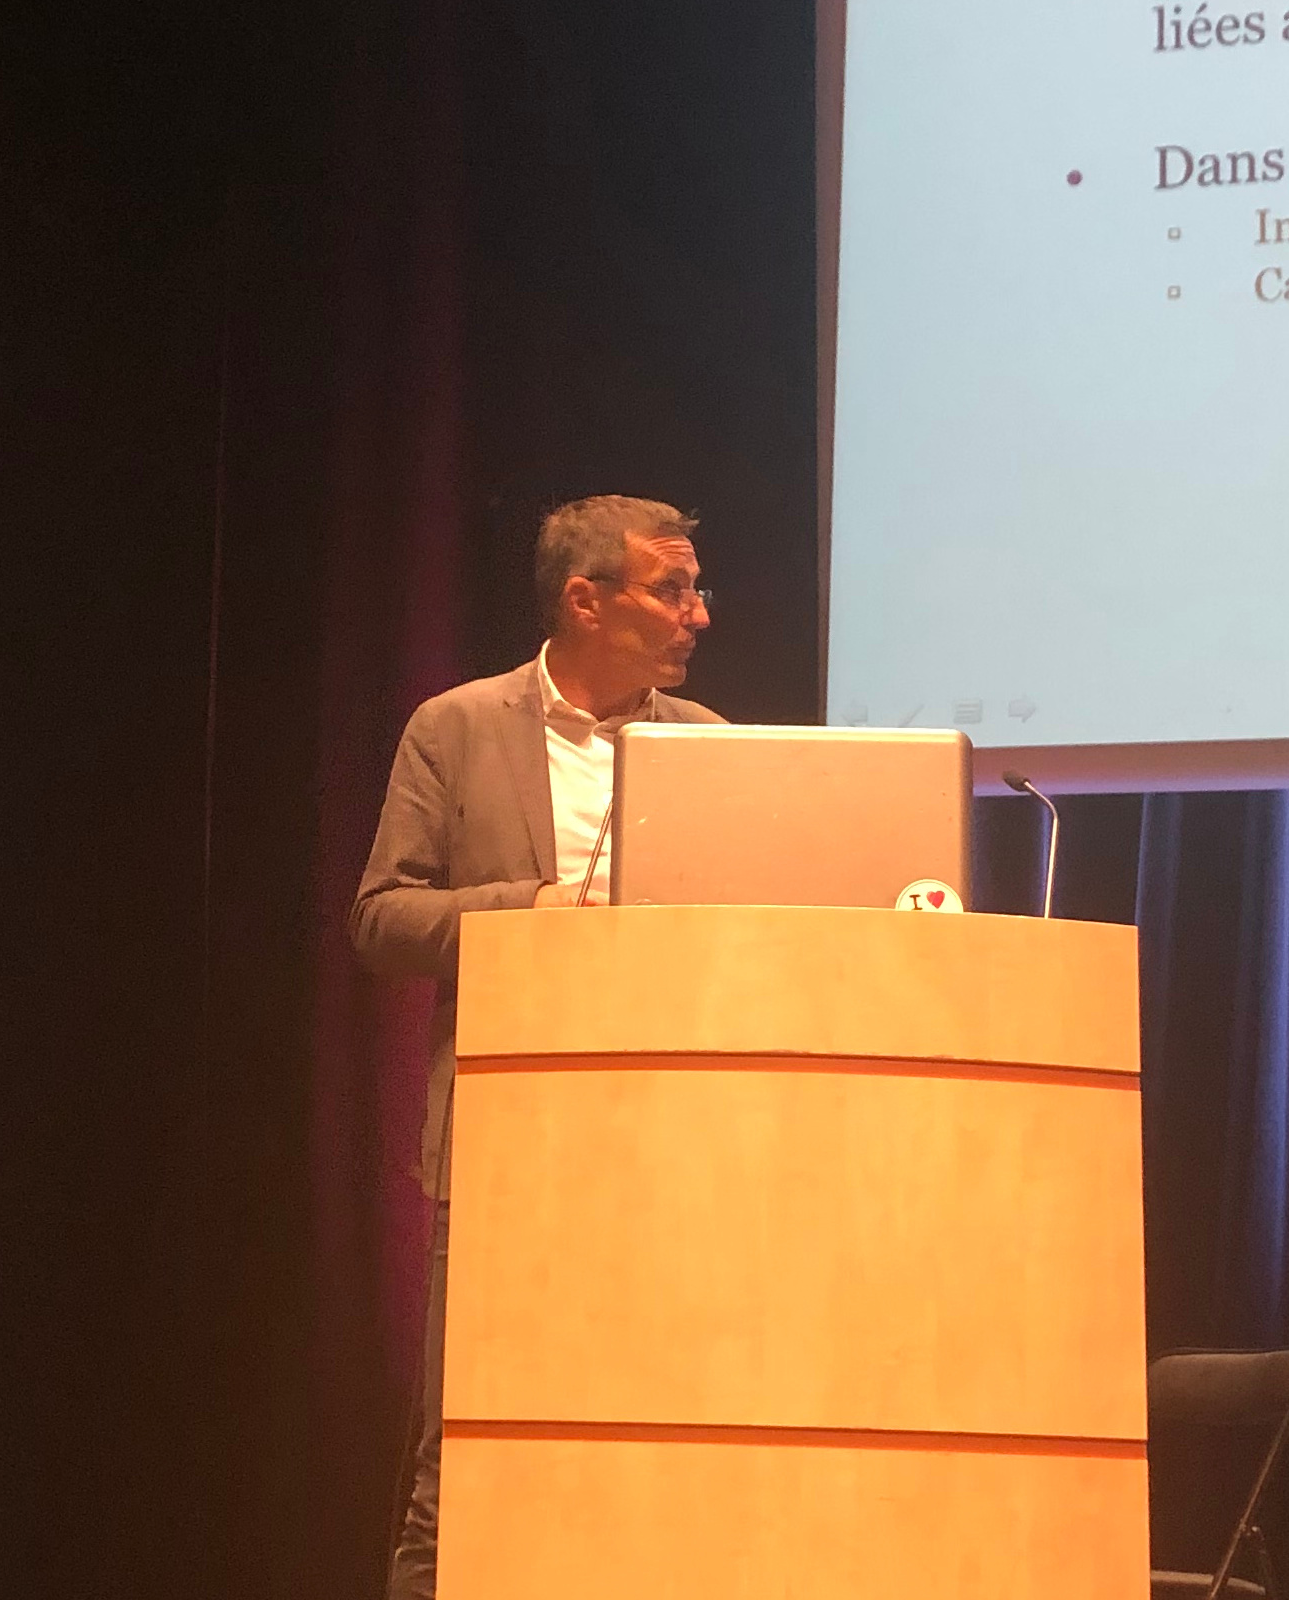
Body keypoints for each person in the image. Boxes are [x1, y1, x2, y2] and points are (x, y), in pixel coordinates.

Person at [351, 494, 720, 1600]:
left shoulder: (708, 742)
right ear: (584, 600)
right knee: (462, 1462)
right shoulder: (457, 725)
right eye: (671, 588)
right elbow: (381, 919)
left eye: (695, 588)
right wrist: (536, 907)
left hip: (672, 1144)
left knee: (649, 1449)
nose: (697, 614)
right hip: (508, 1137)